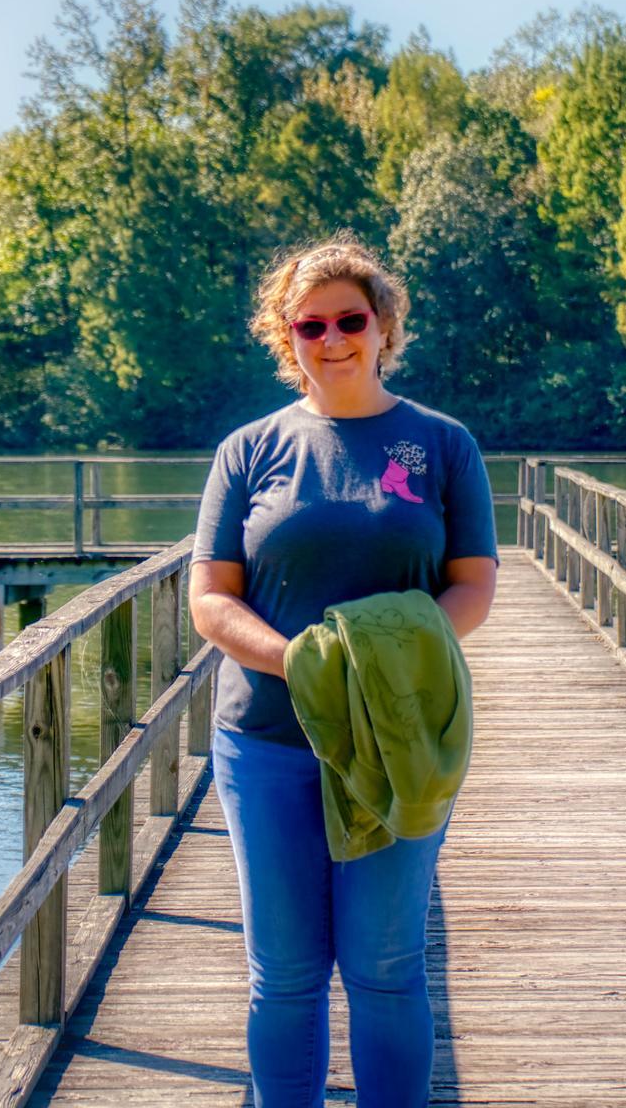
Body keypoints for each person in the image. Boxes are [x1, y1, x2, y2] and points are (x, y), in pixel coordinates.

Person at [188, 235, 499, 1108]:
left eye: (350, 320)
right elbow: (210, 600)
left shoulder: (441, 445)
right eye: (310, 323)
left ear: (384, 325)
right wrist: (307, 663)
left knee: (387, 966)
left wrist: (381, 665)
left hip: (402, 739)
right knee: (283, 974)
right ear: (285, 336)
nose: (332, 339)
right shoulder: (247, 452)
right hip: (270, 741)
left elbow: (473, 585)